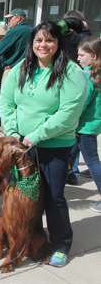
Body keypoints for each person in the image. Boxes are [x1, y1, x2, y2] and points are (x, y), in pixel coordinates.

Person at [0, 20, 88, 268]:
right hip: (21, 145)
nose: (43, 44)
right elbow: (6, 101)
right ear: (32, 43)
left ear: (58, 43)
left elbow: (68, 114)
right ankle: (25, 238)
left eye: (49, 40)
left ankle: (61, 243)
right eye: (39, 40)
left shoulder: (72, 73)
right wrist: (13, 130)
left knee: (53, 197)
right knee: (21, 196)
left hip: (54, 146)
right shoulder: (21, 68)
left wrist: (35, 135)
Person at [66, 37, 101, 210]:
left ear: (94, 56)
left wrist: (72, 122)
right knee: (70, 153)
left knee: (92, 161)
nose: (78, 58)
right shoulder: (98, 74)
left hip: (83, 126)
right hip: (91, 124)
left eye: (81, 55)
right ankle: (68, 175)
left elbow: (82, 102)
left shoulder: (88, 76)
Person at [0, 8, 33, 83]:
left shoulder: (14, 31)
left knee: (6, 94)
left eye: (10, 19)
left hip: (12, 71)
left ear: (18, 18)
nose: (8, 22)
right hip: (29, 71)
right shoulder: (33, 31)